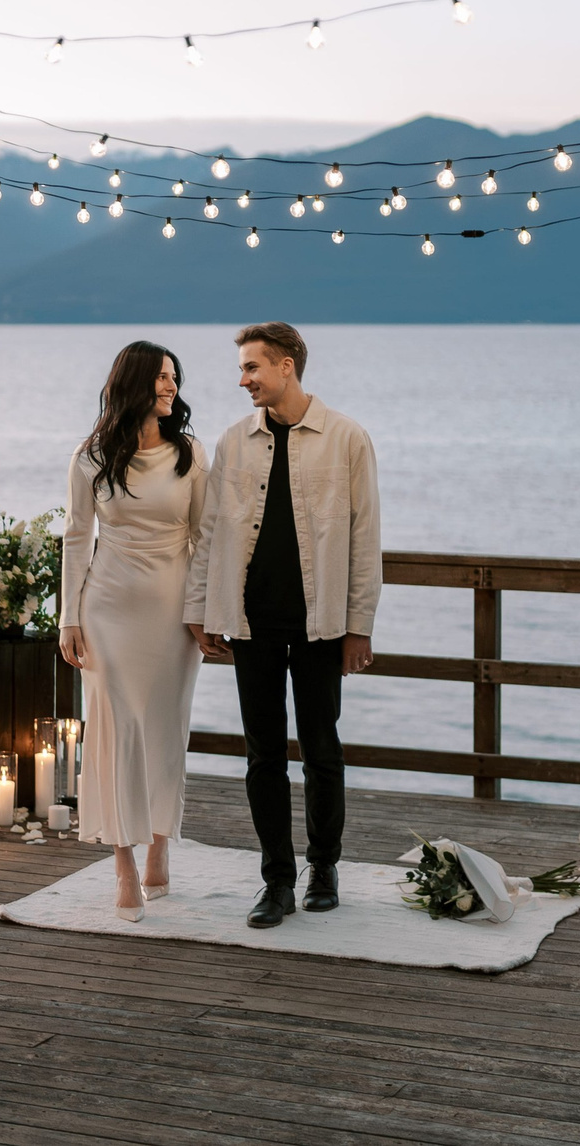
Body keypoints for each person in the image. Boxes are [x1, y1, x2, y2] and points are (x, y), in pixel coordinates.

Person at [185, 321, 381, 929]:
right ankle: (277, 881)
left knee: (322, 751)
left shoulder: (346, 437)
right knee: (262, 755)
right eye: (242, 368)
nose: (243, 380)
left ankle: (324, 868)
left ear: (286, 366)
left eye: (252, 367)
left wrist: (359, 625)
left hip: (322, 624)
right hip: (251, 622)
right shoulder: (233, 441)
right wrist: (200, 609)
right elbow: (210, 531)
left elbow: (365, 537)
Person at [60, 341, 210, 922]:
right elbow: (77, 537)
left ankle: (160, 849)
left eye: (174, 378)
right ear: (135, 384)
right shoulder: (91, 457)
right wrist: (69, 618)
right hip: (108, 610)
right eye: (162, 378)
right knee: (118, 732)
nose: (171, 387)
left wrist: (203, 610)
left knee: (167, 732)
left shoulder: (189, 453)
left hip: (173, 614)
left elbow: (204, 537)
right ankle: (123, 864)